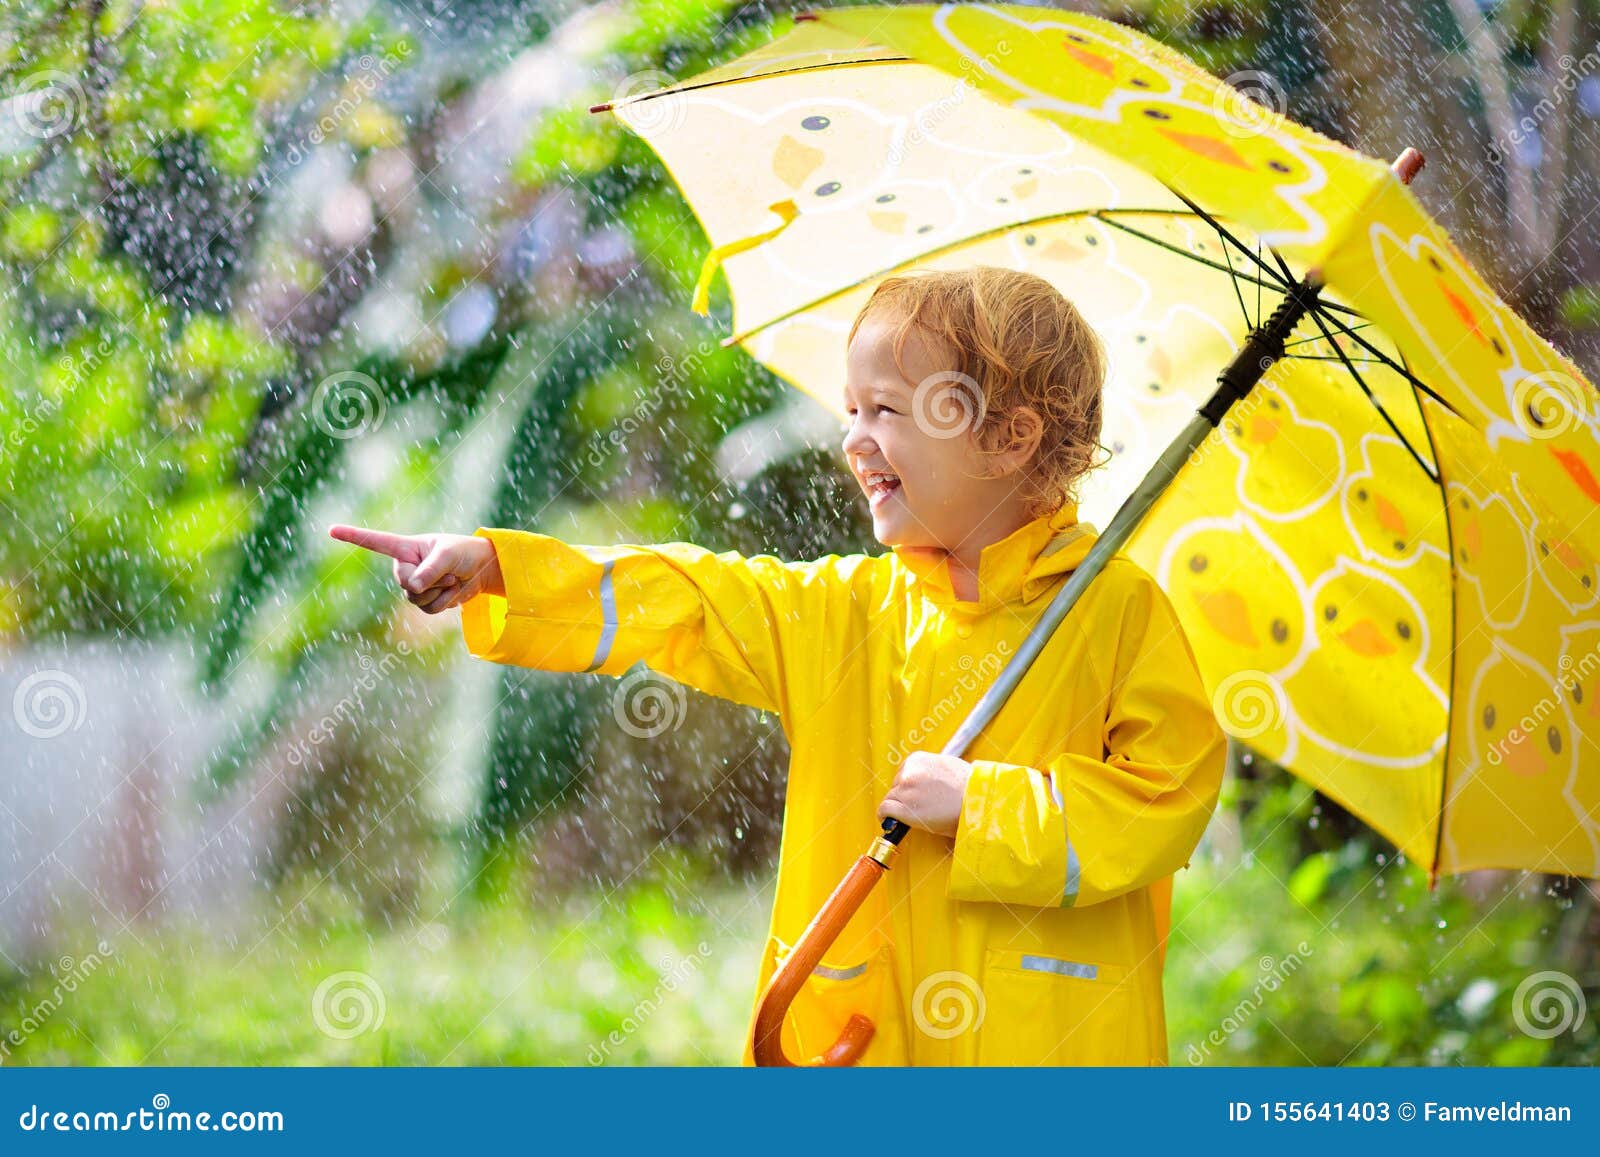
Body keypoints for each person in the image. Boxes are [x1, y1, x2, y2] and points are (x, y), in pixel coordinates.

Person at [330, 265, 1225, 1065]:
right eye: (851, 410)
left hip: (1049, 1049)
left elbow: (1166, 800)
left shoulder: (1117, 611)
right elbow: (688, 596)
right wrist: (500, 567)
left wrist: (981, 806)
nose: (855, 440)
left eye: (887, 411)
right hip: (859, 1038)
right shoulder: (844, 612)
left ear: (1009, 437)